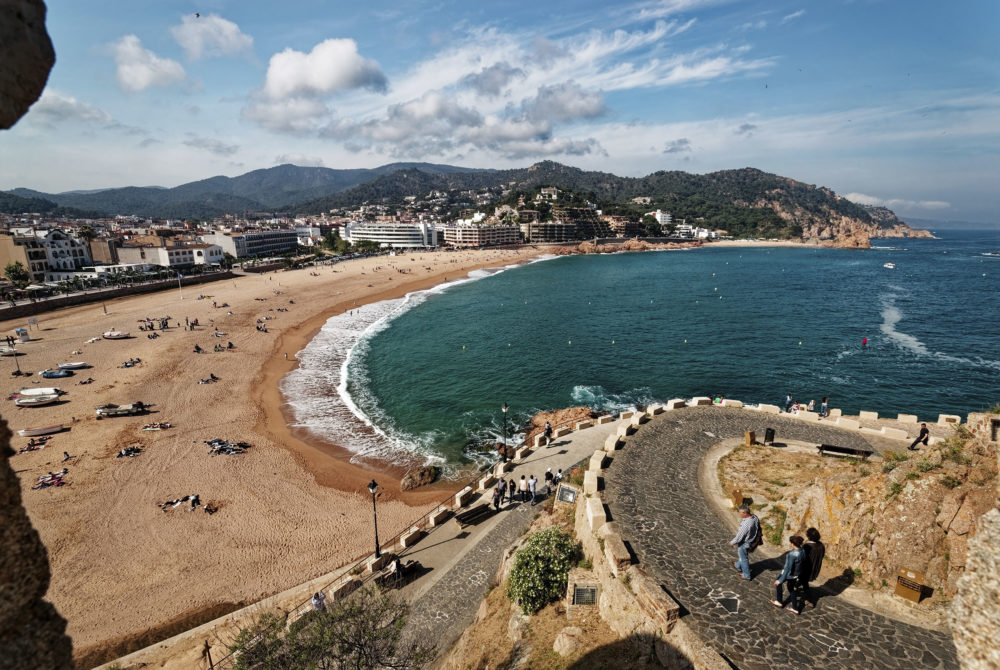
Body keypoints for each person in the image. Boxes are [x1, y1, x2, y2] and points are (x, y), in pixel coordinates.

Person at [772, 535, 806, 614]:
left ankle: (779, 601)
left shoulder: (792, 554)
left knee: (778, 584)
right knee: (791, 589)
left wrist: (780, 580)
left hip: (789, 574)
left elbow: (788, 568)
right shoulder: (803, 551)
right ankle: (795, 608)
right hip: (795, 575)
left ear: (792, 544)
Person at [728, 505, 760, 580]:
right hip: (750, 540)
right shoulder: (754, 517)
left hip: (744, 543)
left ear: (745, 513)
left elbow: (740, 535)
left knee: (744, 559)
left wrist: (732, 542)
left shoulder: (747, 524)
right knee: (743, 556)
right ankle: (737, 565)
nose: (739, 514)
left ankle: (746, 575)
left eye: (740, 513)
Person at [802, 528, 825, 608]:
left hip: (807, 568)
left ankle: (809, 600)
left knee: (804, 583)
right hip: (815, 568)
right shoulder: (821, 545)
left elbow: (802, 558)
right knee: (804, 582)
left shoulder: (807, 546)